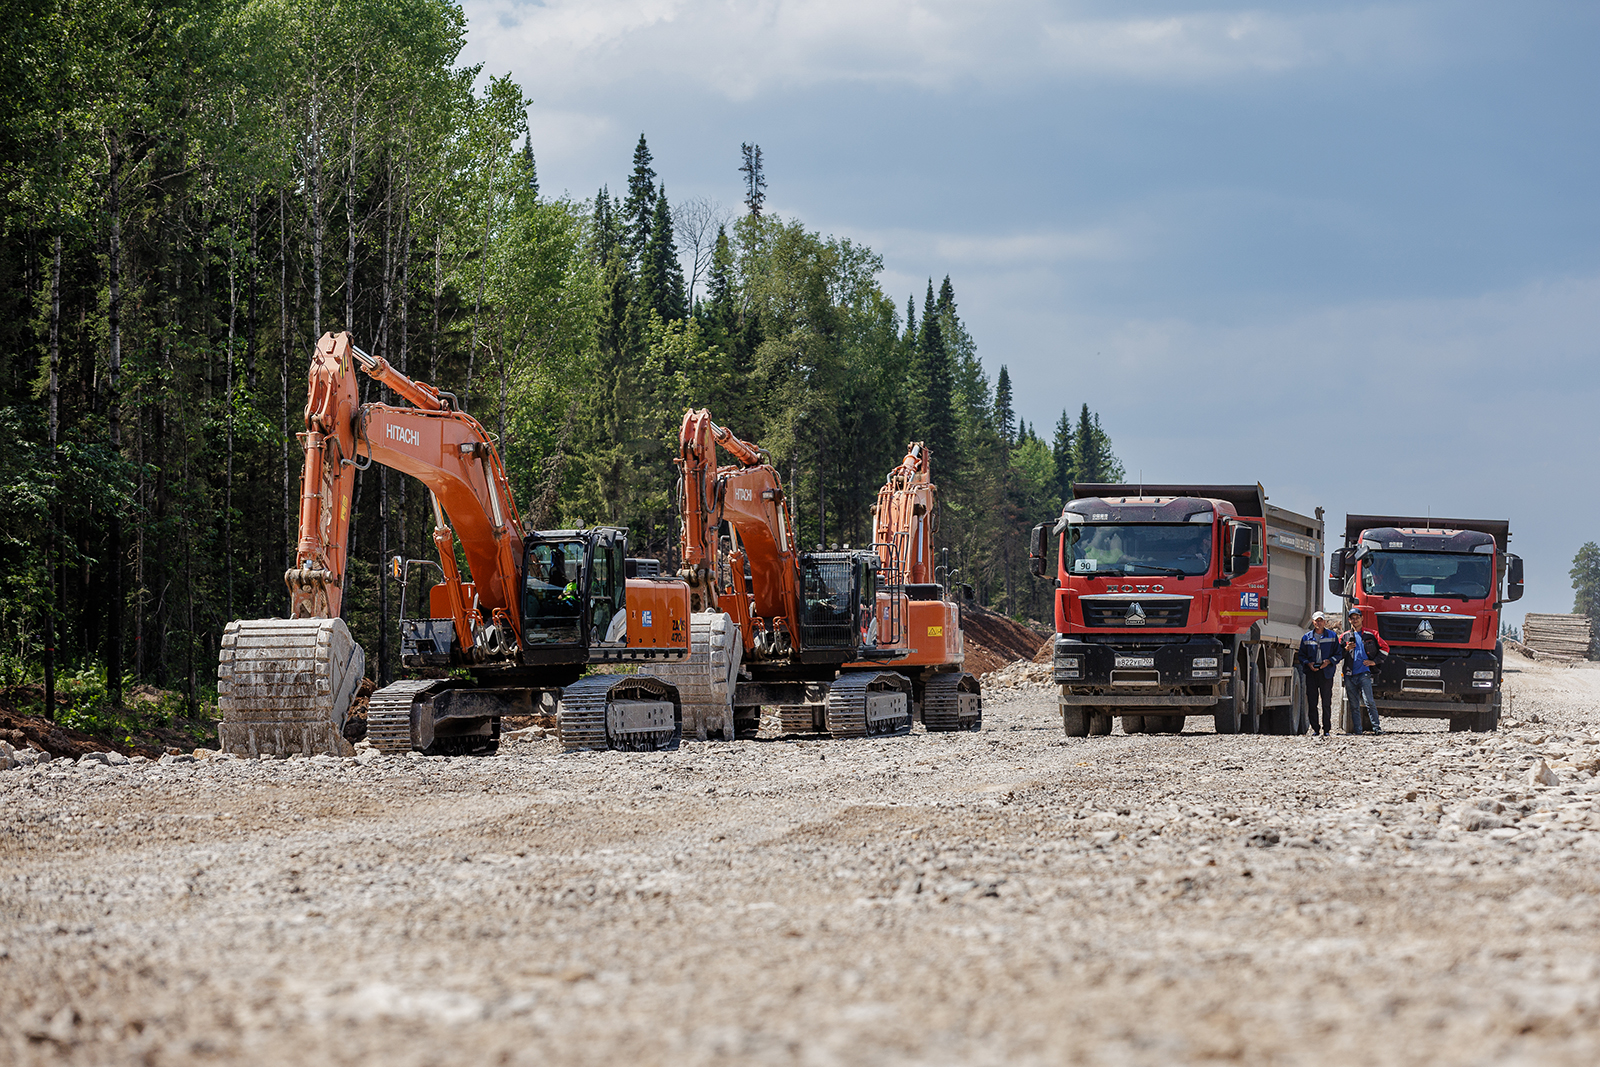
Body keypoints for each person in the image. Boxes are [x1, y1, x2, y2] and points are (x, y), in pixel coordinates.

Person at [1341, 607, 1388, 734]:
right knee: (1354, 705)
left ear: (1362, 618)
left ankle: (1377, 729)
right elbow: (1336, 654)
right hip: (1349, 675)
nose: (1355, 620)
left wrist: (1374, 661)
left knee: (1369, 702)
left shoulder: (1372, 634)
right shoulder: (1344, 636)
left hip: (1364, 673)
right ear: (1349, 620)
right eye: (1352, 618)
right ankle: (1358, 731)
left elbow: (1385, 648)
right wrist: (1345, 649)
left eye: (1357, 617)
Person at [1297, 610, 1340, 736]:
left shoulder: (1332, 636)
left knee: (1326, 702)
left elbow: (1338, 654)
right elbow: (1301, 655)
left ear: (1325, 622)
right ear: (1313, 622)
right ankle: (1316, 728)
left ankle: (1327, 729)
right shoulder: (1306, 637)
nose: (1319, 623)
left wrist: (1329, 662)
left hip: (1326, 673)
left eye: (1321, 620)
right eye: (1316, 620)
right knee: (1312, 701)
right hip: (1312, 673)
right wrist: (1308, 664)